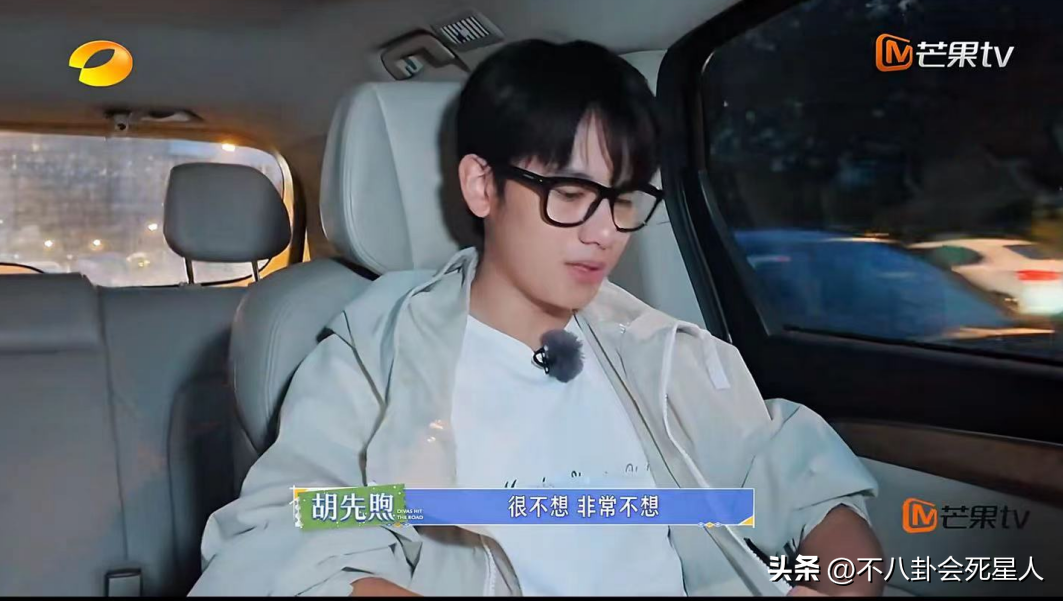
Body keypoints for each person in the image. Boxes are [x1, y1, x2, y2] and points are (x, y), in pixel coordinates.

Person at [189, 39, 883, 597]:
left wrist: (838, 570)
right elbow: (283, 546)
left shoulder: (657, 350)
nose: (604, 232)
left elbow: (800, 479)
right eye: (571, 192)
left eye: (623, 199)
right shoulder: (374, 363)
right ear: (482, 185)